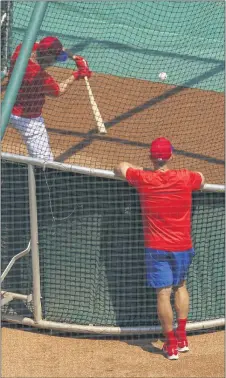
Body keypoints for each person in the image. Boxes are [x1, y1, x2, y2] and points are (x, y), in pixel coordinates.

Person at [114, 137, 205, 360]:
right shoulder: (185, 177)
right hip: (183, 245)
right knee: (181, 286)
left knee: (163, 293)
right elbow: (202, 179)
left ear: (151, 158)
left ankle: (170, 344)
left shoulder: (144, 178)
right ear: (171, 156)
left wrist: (143, 169)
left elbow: (119, 167)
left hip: (157, 247)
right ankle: (182, 338)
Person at [8, 36, 92, 161]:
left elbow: (46, 45)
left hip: (7, 110)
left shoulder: (21, 50)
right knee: (45, 162)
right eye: (54, 59)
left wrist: (74, 57)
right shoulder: (39, 76)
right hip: (29, 121)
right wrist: (77, 74)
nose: (54, 62)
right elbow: (58, 90)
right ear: (47, 55)